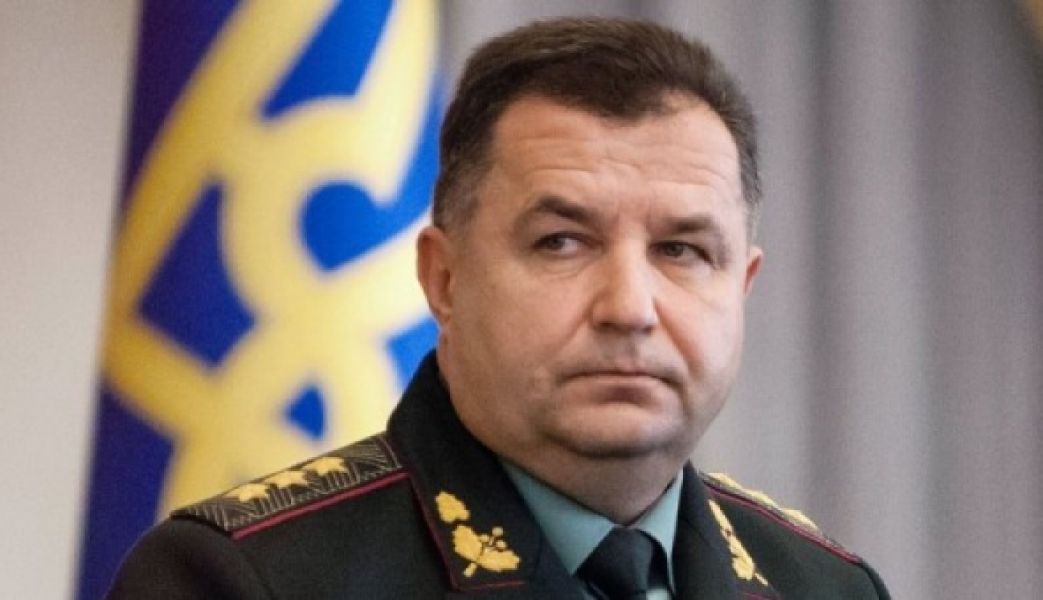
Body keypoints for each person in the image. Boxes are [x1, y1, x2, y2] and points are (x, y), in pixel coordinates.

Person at [108, 17, 890, 599]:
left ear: (741, 287)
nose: (629, 308)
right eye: (561, 242)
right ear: (443, 279)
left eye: (681, 250)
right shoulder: (242, 579)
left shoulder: (826, 588)